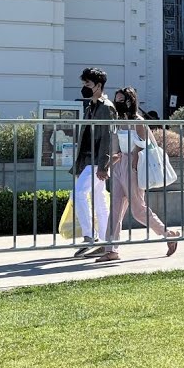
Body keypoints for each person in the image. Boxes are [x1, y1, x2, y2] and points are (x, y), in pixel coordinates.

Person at [100, 87, 179, 260]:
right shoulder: (118, 120)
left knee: (138, 209)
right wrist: (109, 163)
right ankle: (111, 249)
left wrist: (134, 162)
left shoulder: (138, 121)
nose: (118, 103)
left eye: (121, 100)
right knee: (115, 208)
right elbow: (115, 142)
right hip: (119, 164)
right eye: (116, 99)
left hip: (133, 166)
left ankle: (168, 233)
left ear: (130, 101)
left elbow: (143, 144)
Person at [72, 68, 115, 248]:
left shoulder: (106, 107)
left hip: (97, 161)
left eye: (88, 84)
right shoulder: (92, 106)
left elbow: (107, 136)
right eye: (84, 84)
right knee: (99, 200)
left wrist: (104, 165)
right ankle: (107, 242)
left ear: (98, 85)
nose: (84, 87)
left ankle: (91, 236)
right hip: (91, 160)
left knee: (79, 193)